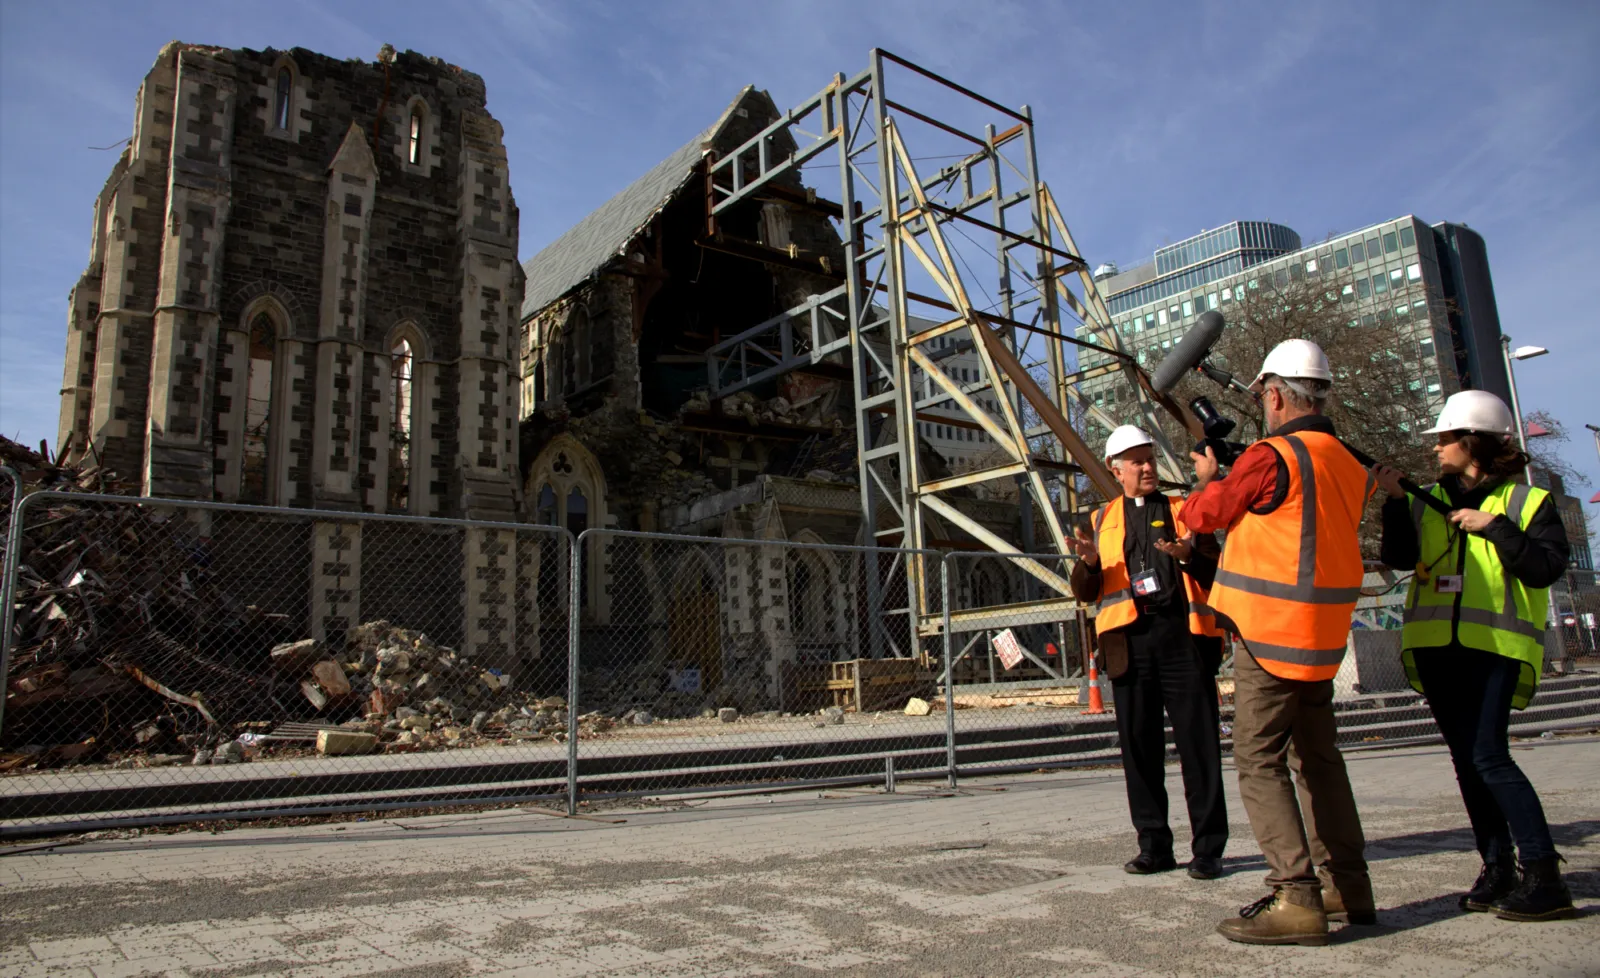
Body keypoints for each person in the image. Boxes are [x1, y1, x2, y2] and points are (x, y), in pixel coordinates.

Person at [1181, 339, 1375, 946]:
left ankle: (1296, 897)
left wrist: (1209, 481)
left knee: (1258, 760)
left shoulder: (1271, 456)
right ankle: (1349, 884)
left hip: (1269, 633)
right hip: (1323, 637)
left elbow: (1207, 514)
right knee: (1318, 759)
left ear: (1273, 395)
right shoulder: (1345, 461)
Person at [1373, 390, 1575, 921]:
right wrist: (1393, 501)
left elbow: (1544, 569)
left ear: (1473, 442)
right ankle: (1497, 866)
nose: (1436, 448)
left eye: (1443, 438)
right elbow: (1397, 558)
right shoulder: (1422, 499)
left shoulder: (1526, 502)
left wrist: (1495, 528)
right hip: (1439, 648)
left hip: (1494, 649)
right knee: (1468, 762)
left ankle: (1544, 872)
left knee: (1489, 755)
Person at [1068, 425, 1229, 880]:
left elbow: (1215, 571)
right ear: (1114, 470)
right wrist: (1088, 564)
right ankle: (1154, 846)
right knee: (1140, 752)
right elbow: (1086, 592)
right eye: (1136, 461)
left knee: (1200, 748)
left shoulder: (1186, 510)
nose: (1146, 468)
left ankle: (1208, 849)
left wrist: (1185, 556)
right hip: (1129, 647)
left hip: (1183, 640)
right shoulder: (1102, 521)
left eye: (1150, 459)